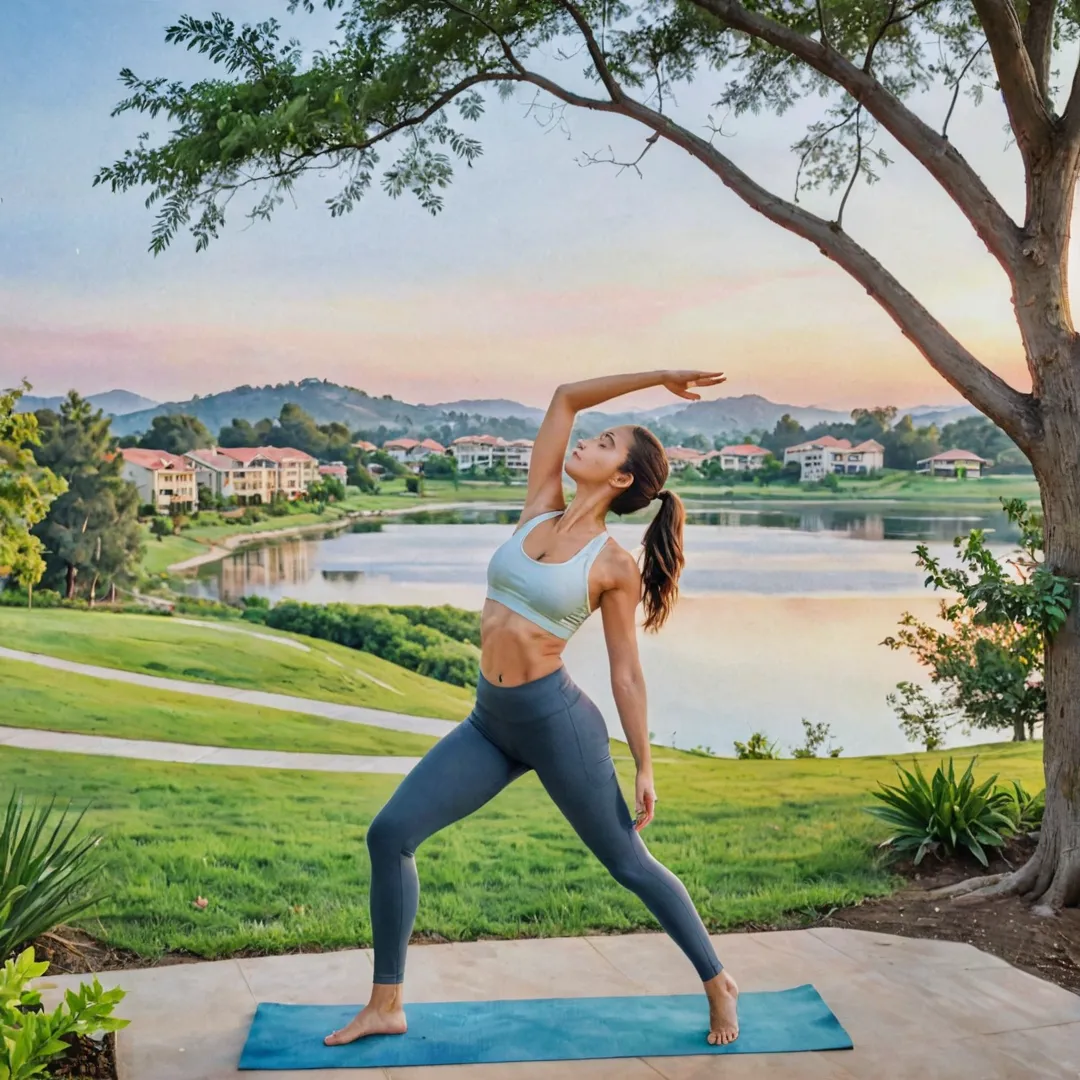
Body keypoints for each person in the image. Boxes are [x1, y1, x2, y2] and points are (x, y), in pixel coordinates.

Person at [325, 369, 739, 1048]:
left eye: (603, 444)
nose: (584, 443)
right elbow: (565, 399)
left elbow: (625, 673)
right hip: (490, 722)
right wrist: (660, 376)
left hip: (556, 725)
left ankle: (719, 982)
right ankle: (386, 1003)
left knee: (628, 862)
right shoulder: (540, 506)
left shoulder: (613, 565)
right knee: (389, 834)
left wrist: (644, 764)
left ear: (623, 479)